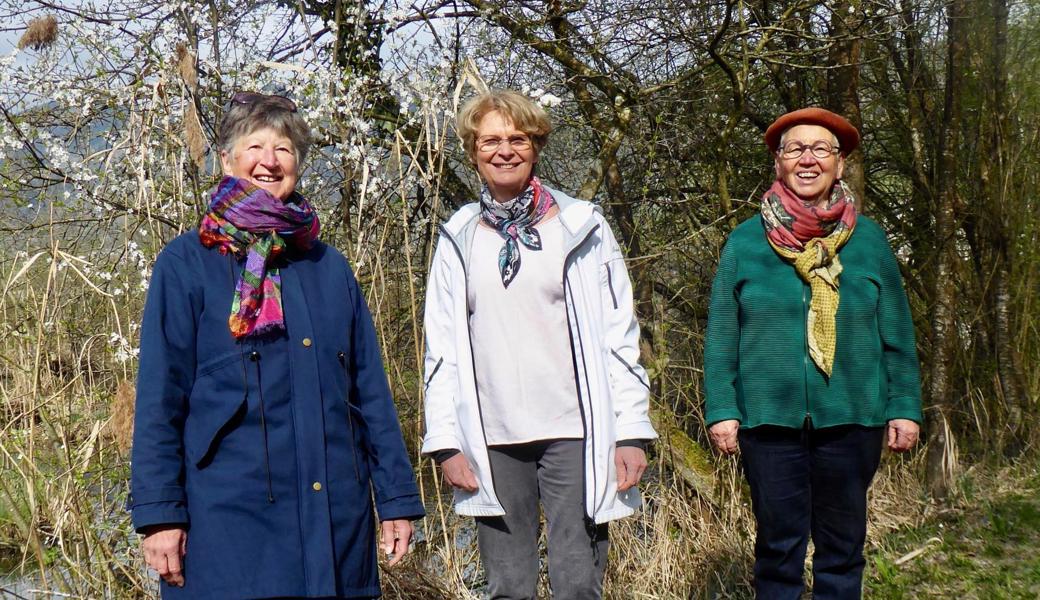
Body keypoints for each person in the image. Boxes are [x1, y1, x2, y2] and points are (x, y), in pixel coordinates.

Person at [128, 91, 424, 599]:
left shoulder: (328, 267)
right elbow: (160, 398)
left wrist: (396, 500)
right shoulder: (186, 264)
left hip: (336, 526)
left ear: (299, 164)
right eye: (255, 146)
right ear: (226, 159)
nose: (270, 161)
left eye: (284, 149)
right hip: (229, 531)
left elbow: (370, 392)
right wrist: (159, 516)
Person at [420, 89, 657, 599]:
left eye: (517, 138)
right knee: (509, 587)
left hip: (576, 431)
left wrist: (632, 431)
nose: (504, 150)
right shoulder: (457, 235)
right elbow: (440, 350)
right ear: (472, 150)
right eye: (490, 140)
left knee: (577, 582)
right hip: (492, 436)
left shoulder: (582, 226)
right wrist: (445, 441)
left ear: (536, 146)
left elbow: (620, 335)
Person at [704, 107, 922, 599]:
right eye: (794, 149)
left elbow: (897, 333)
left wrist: (904, 407)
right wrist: (722, 408)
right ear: (778, 164)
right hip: (768, 422)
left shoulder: (868, 241)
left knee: (842, 548)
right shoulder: (744, 243)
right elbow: (721, 334)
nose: (808, 159)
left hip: (852, 418)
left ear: (839, 165)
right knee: (778, 549)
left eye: (821, 149)